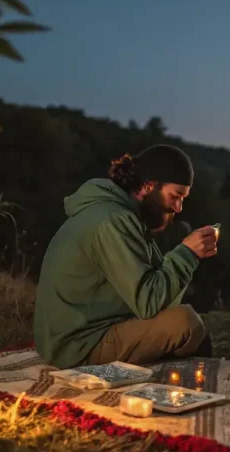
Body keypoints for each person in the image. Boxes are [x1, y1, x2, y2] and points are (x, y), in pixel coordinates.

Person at [34, 144, 218, 369]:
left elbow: (158, 297)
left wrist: (188, 256)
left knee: (184, 324)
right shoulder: (113, 221)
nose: (179, 208)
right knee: (186, 323)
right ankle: (204, 390)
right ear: (149, 186)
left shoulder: (119, 215)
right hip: (79, 344)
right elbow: (149, 303)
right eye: (176, 195)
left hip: (92, 329)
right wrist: (187, 253)